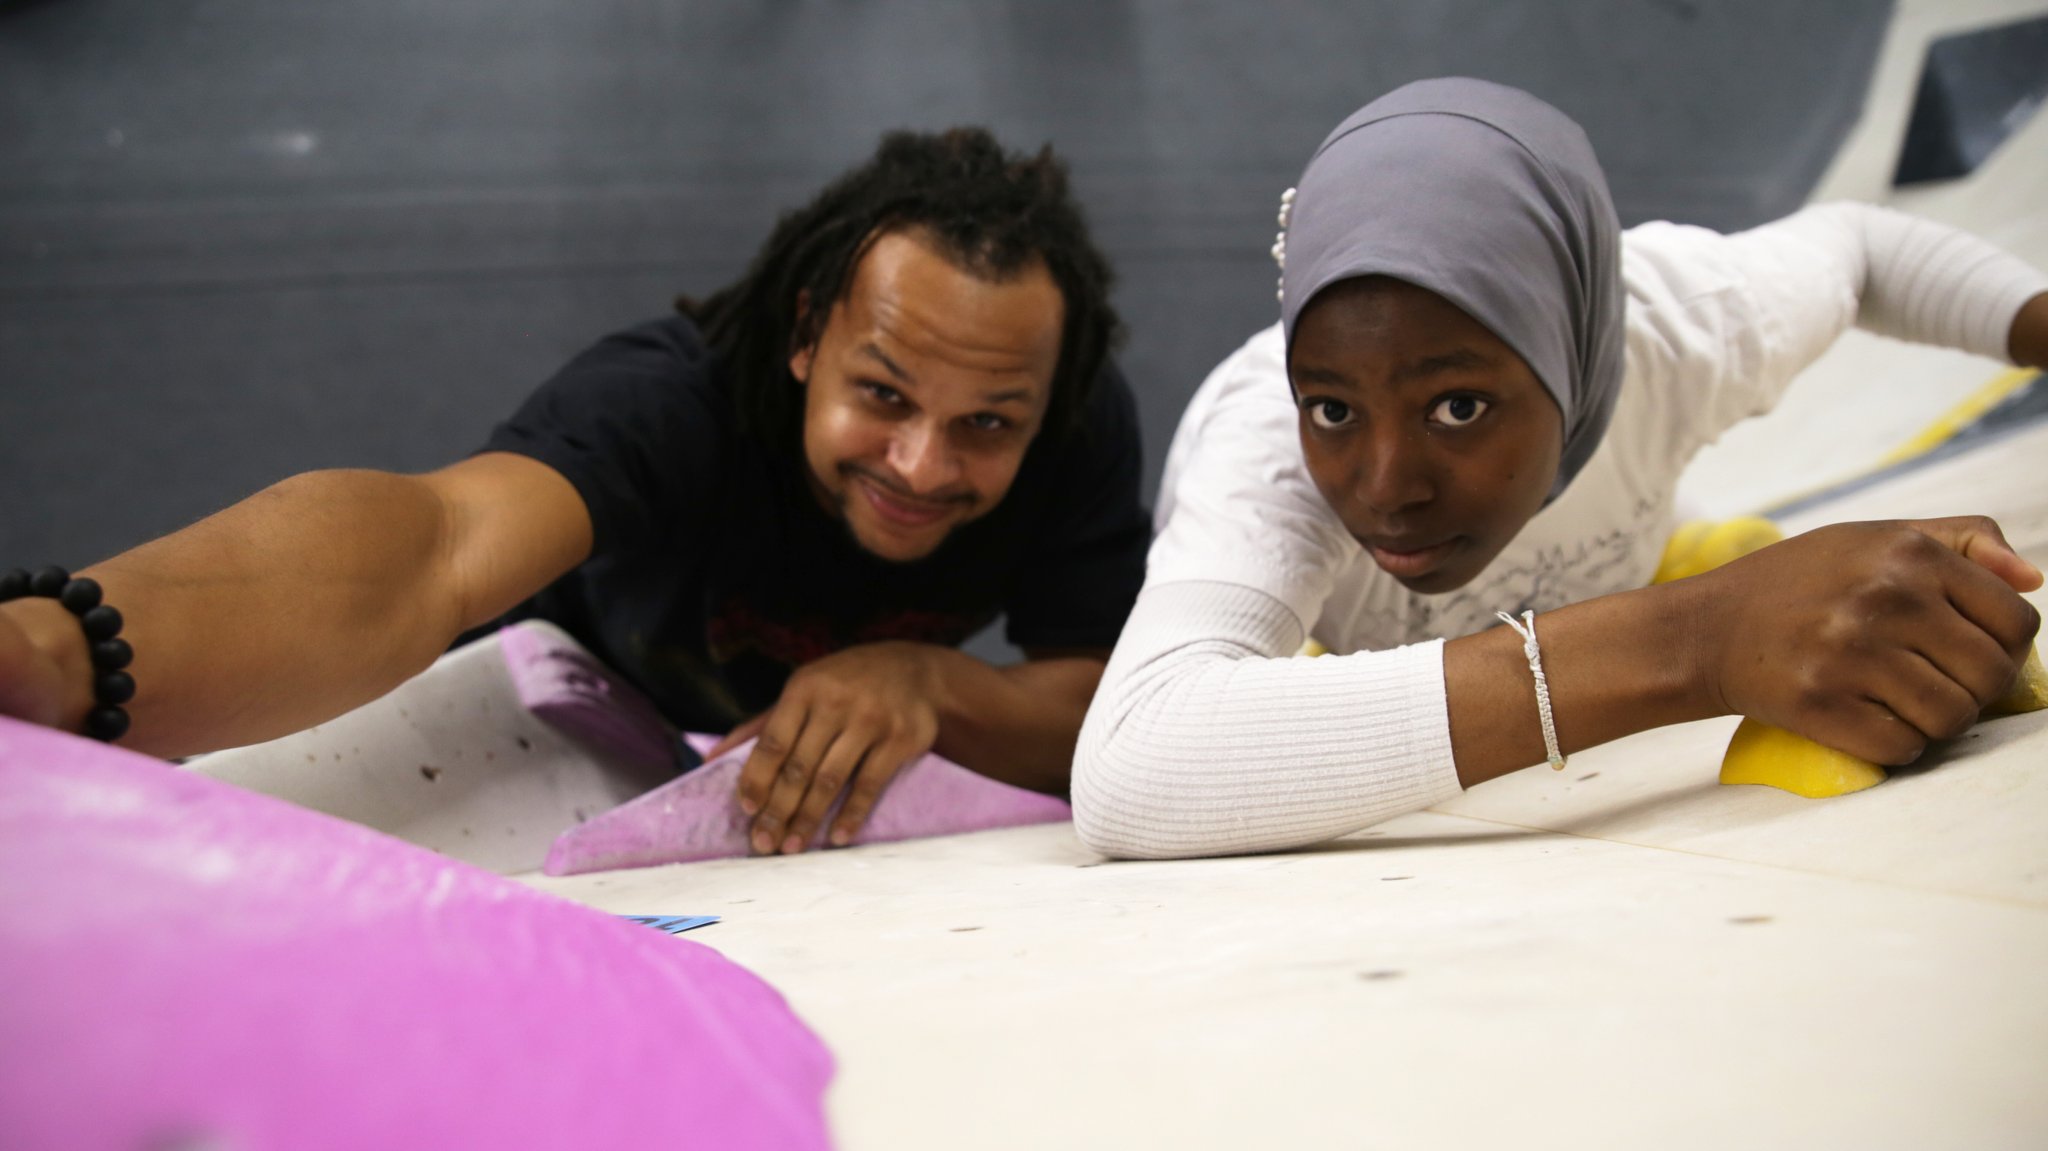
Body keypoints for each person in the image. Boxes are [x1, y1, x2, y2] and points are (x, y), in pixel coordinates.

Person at [0, 128, 1152, 856]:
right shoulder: (671, 401)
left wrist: (929, 683)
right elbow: (431, 548)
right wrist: (59, 654)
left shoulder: (1070, 418)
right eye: (885, 395)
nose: (921, 463)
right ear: (806, 336)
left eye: (986, 424)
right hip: (553, 717)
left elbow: (1115, 701)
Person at [1072, 78, 2048, 860]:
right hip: (1351, 647)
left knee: (1686, 550)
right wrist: (1701, 636)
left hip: (1622, 565)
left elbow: (1863, 249)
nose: (1383, 487)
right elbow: (1135, 763)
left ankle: (1688, 551)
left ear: (1573, 346)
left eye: (1457, 406)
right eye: (1330, 407)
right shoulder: (1260, 449)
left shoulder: (1682, 317)